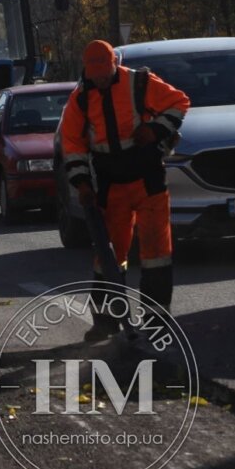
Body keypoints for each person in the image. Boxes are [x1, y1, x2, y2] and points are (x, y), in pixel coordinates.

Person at [60, 40, 190, 342]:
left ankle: (156, 321)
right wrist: (81, 183)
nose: (102, 80)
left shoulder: (140, 82)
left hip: (148, 179)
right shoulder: (80, 99)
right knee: (109, 255)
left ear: (115, 64)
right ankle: (106, 322)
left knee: (156, 252)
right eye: (96, 76)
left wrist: (155, 130)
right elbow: (72, 145)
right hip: (110, 183)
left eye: (105, 73)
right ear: (88, 72)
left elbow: (179, 102)